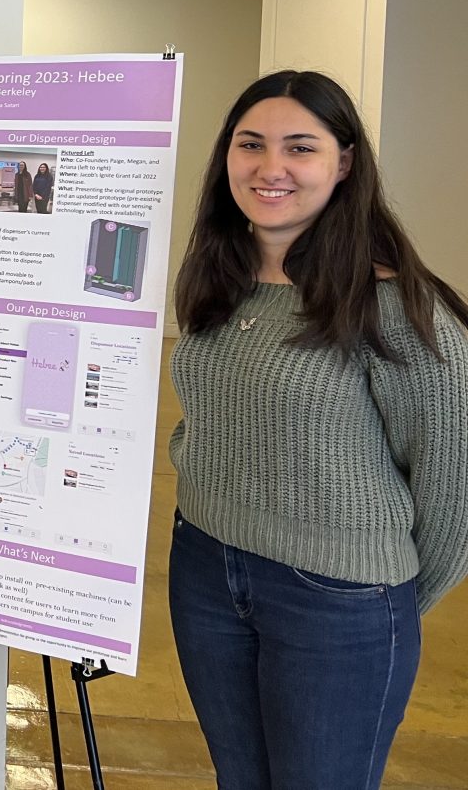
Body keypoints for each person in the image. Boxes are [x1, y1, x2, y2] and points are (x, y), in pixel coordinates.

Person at [168, 70, 468, 790]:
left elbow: (454, 497)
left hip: (337, 600)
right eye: (251, 145)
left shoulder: (397, 307)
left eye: (300, 147)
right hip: (206, 569)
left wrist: (377, 604)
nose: (271, 168)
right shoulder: (218, 281)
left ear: (345, 162)